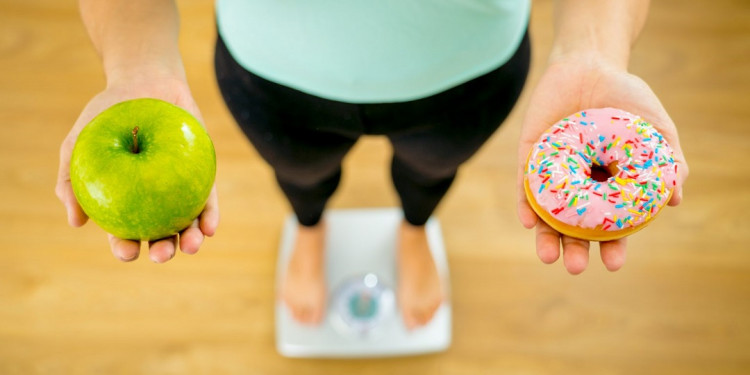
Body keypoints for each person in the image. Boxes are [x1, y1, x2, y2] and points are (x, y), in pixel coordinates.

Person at [56, 0, 688, 330]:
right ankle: (309, 229)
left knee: (431, 172)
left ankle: (414, 230)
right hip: (271, 75)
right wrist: (136, 63)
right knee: (301, 175)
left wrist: (597, 52)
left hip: (468, 75)